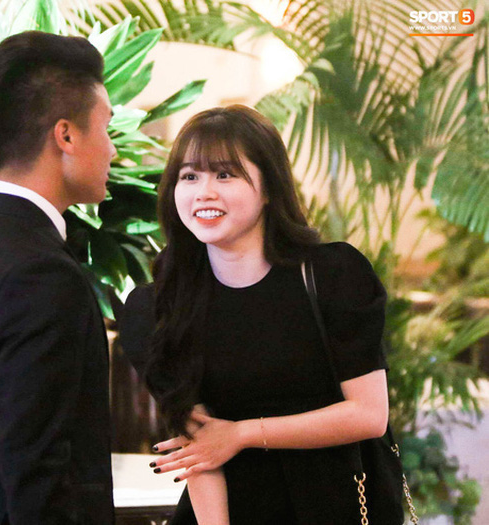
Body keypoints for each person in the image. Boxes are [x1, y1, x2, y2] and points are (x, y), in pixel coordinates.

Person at [120, 105, 404, 524]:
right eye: (189, 176)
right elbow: (200, 448)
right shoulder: (157, 307)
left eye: (225, 174)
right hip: (230, 510)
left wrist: (242, 434)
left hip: (336, 503)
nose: (204, 192)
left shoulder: (332, 275)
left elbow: (368, 415)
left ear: (269, 188)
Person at [0, 31, 116, 525]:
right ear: (66, 135)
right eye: (107, 127)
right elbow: (40, 469)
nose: (112, 150)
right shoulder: (41, 272)